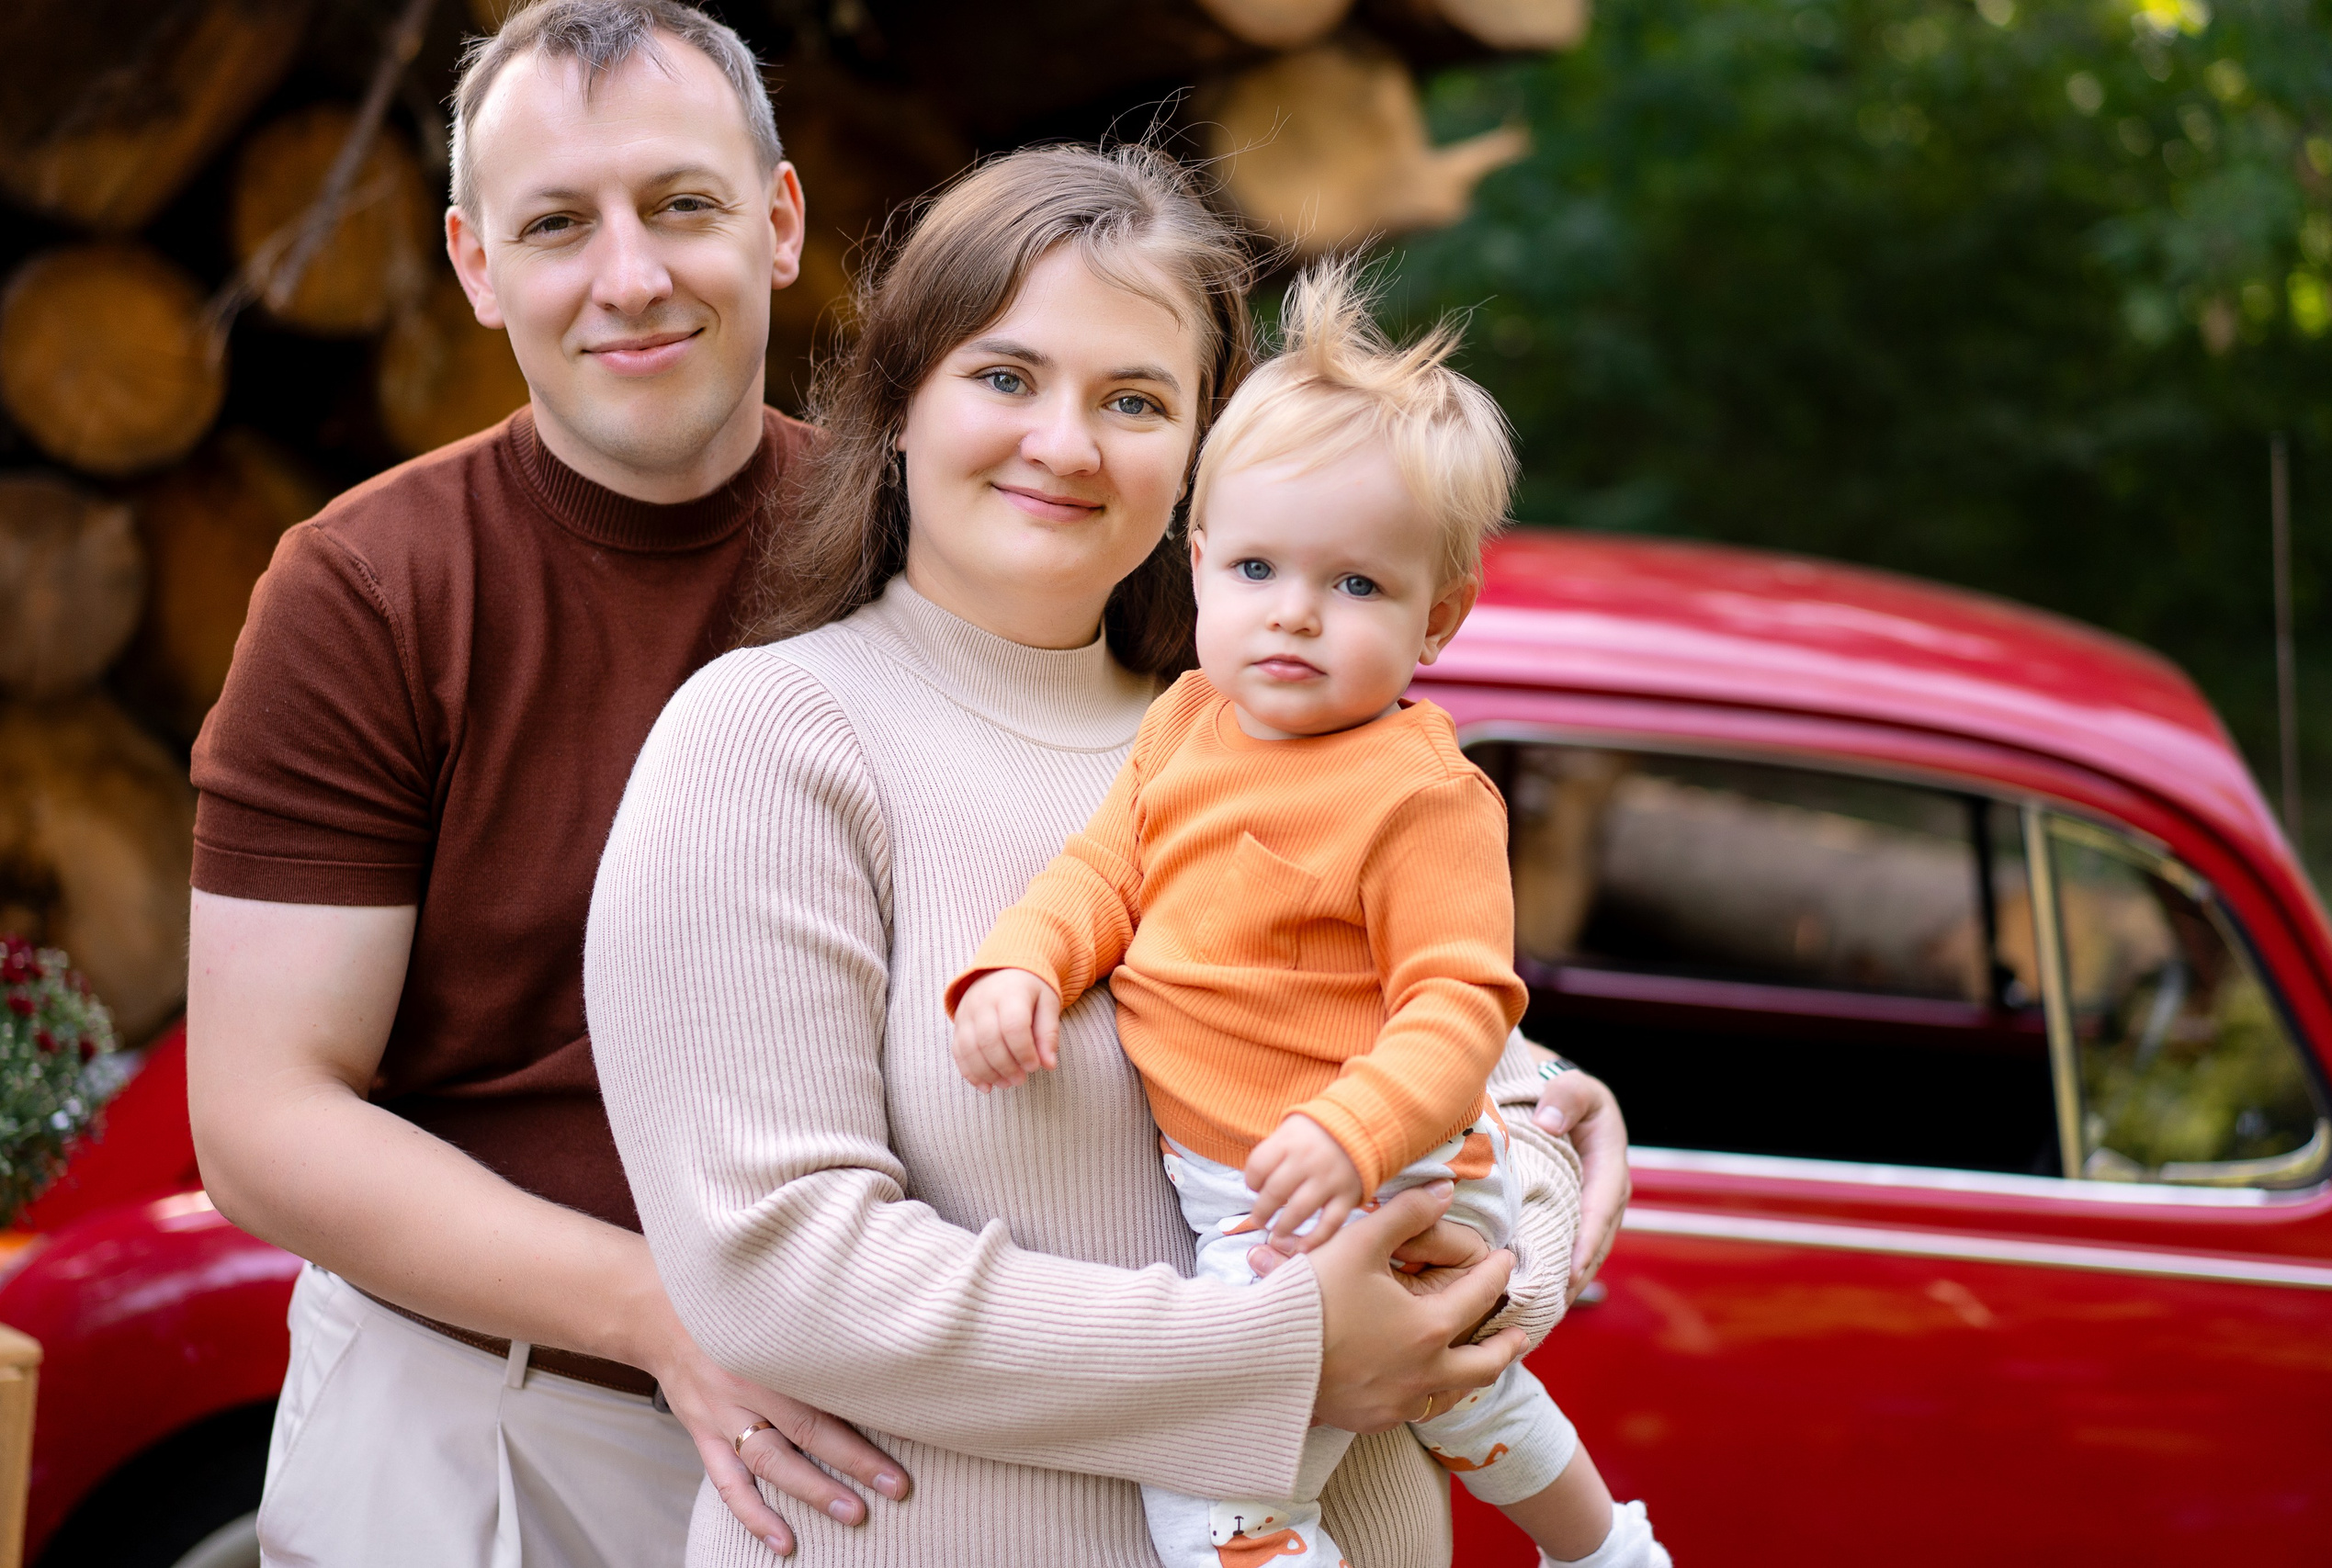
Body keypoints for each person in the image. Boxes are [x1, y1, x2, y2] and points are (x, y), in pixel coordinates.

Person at [585, 143, 1632, 1568]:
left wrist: (1556, 1120)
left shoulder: (1249, 734)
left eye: (1134, 399)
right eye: (1006, 376)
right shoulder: (768, 743)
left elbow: (1411, 1046)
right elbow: (781, 1265)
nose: (1066, 445)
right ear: (898, 405)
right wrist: (1275, 1357)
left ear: (1204, 453)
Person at [186, 4, 919, 1562]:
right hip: (473, 1431)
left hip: (879, 1439)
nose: (630, 278)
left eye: (682, 206)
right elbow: (260, 1117)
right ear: (474, 265)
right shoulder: (367, 591)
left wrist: (1518, 1103)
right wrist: (661, 1316)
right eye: (558, 224)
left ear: (779, 224)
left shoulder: (921, 555)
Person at [945, 259, 1669, 1568]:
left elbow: (1459, 1005)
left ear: (1438, 617)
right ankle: (1608, 1553)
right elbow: (1098, 877)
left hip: (1368, 1185)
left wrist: (1354, 1128)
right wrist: (1020, 970)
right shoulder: (1184, 726)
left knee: (1215, 1492)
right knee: (1471, 1401)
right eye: (1263, 567)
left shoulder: (1421, 795)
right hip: (1258, 1187)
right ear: (1202, 560)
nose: (1294, 614)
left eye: (1356, 588)